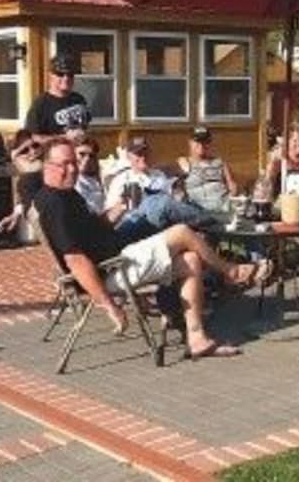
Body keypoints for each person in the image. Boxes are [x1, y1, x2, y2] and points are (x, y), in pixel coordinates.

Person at [34, 138, 270, 358]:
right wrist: (109, 305)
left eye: (73, 163)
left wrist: (120, 208)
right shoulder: (55, 204)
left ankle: (197, 338)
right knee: (182, 233)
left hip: (117, 255)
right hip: (110, 270)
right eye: (64, 164)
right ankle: (231, 271)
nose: (73, 169)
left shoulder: (67, 194)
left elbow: (96, 227)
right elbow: (76, 261)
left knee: (190, 260)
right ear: (47, 165)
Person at [105, 137, 209, 241]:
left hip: (163, 223)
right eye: (138, 154)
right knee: (160, 203)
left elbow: (175, 202)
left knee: (174, 205)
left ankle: (208, 225)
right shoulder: (121, 180)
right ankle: (212, 223)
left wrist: (179, 191)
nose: (143, 157)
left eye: (145, 153)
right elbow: (109, 217)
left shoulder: (158, 175)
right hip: (135, 224)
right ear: (128, 156)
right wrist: (122, 205)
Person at [24, 53, 91, 144]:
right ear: (51, 75)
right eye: (60, 74)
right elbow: (33, 138)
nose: (66, 78)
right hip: (53, 156)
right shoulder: (40, 104)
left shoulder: (79, 99)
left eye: (70, 74)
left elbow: (86, 128)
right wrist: (64, 138)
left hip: (78, 155)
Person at [0, 129, 44, 234]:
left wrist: (17, 154)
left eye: (35, 146)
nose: (33, 152)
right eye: (25, 151)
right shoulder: (24, 180)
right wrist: (16, 213)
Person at [177, 126, 238, 212]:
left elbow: (232, 184)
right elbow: (176, 187)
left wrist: (232, 197)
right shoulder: (183, 163)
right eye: (197, 141)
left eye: (206, 142)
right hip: (196, 208)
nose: (201, 145)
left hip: (223, 206)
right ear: (190, 143)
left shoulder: (219, 163)